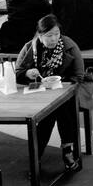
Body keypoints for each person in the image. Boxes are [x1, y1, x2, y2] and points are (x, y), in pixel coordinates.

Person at [14, 16, 83, 173]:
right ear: (40, 35)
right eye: (49, 35)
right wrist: (27, 74)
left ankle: (39, 155)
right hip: (38, 93)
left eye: (56, 34)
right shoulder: (30, 48)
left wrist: (60, 84)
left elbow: (79, 76)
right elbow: (18, 73)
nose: (54, 38)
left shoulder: (69, 46)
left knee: (57, 109)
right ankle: (67, 152)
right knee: (51, 110)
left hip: (66, 91)